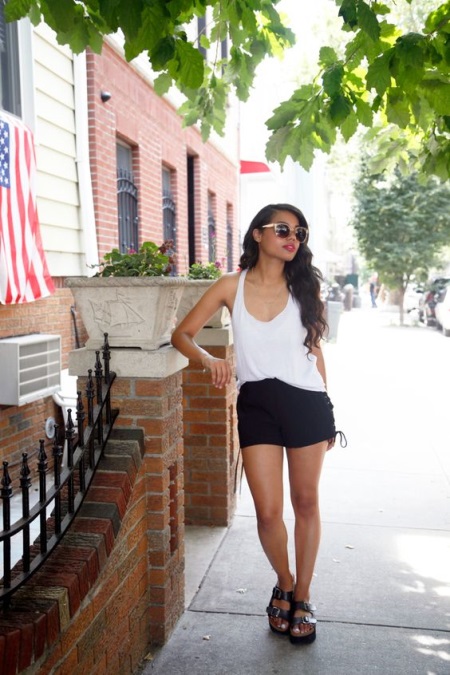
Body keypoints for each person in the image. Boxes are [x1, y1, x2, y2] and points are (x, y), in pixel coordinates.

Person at [171, 203, 343, 645]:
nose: (293, 238)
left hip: (307, 403)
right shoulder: (231, 285)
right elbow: (181, 334)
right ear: (257, 234)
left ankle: (303, 596)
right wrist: (208, 359)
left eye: (300, 233)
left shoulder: (304, 288)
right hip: (257, 406)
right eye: (283, 229)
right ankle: (284, 582)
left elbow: (315, 350)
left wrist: (328, 410)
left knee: (306, 502)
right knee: (267, 511)